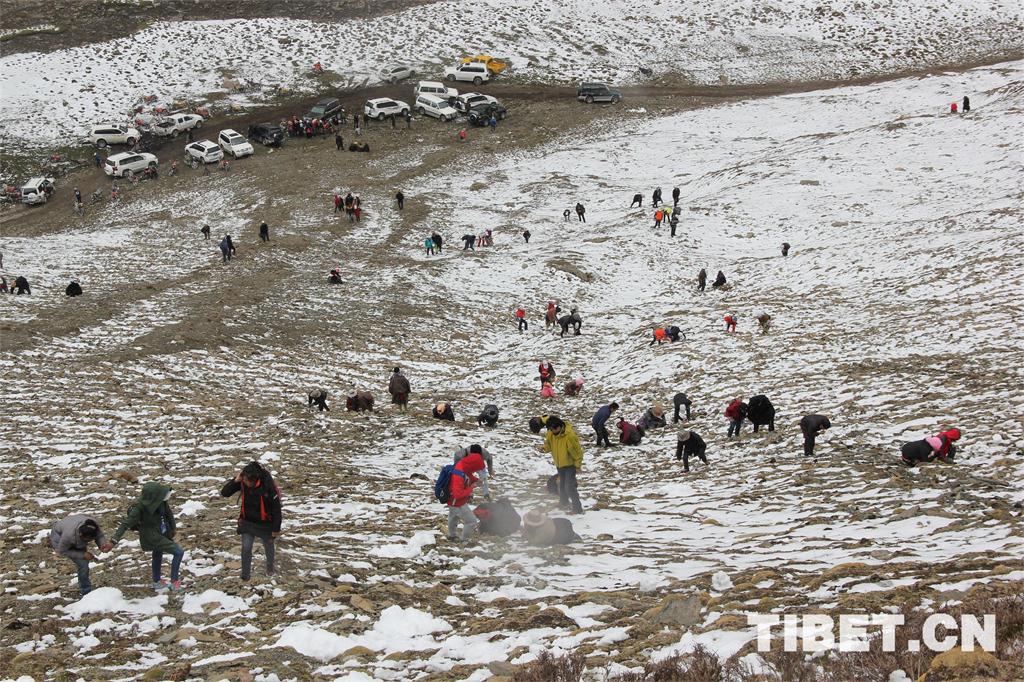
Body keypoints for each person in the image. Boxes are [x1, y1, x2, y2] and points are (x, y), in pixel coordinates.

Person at [111, 482, 185, 591]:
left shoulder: (162, 502)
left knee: (158, 553)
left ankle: (156, 581)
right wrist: (113, 540)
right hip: (151, 536)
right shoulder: (139, 508)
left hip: (162, 531)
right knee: (178, 552)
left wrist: (173, 528)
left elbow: (169, 514)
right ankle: (174, 582)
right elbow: (125, 524)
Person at [220, 462, 281, 582]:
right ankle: (245, 576)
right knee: (246, 548)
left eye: (248, 481)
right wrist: (235, 481)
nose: (246, 483)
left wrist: (276, 529)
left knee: (268, 546)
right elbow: (225, 493)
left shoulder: (268, 486)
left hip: (265, 523)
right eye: (244, 480)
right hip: (247, 521)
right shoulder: (242, 481)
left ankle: (270, 567)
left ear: (255, 479)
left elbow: (276, 509)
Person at [50, 515, 113, 597]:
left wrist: (102, 544)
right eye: (86, 540)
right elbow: (61, 550)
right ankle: (86, 592)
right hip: (59, 535)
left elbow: (99, 536)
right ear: (81, 534)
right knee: (83, 564)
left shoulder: (93, 525)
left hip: (71, 526)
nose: (88, 542)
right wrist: (82, 554)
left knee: (84, 561)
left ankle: (86, 590)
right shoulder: (68, 536)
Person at [538, 416, 584, 514]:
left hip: (570, 465)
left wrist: (578, 465)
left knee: (569, 487)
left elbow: (577, 452)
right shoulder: (551, 433)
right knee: (562, 485)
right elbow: (548, 444)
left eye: (555, 428)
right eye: (551, 429)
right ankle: (564, 502)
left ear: (560, 426)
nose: (553, 431)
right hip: (559, 464)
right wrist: (544, 448)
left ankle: (577, 509)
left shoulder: (569, 436)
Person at [446, 451, 486, 541]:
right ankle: (465, 541)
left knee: (453, 517)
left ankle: (452, 536)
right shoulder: (458, 474)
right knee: (471, 521)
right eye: (476, 468)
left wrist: (476, 480)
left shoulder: (463, 466)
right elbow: (457, 494)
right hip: (456, 502)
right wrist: (471, 487)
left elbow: (468, 477)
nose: (476, 470)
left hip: (453, 501)